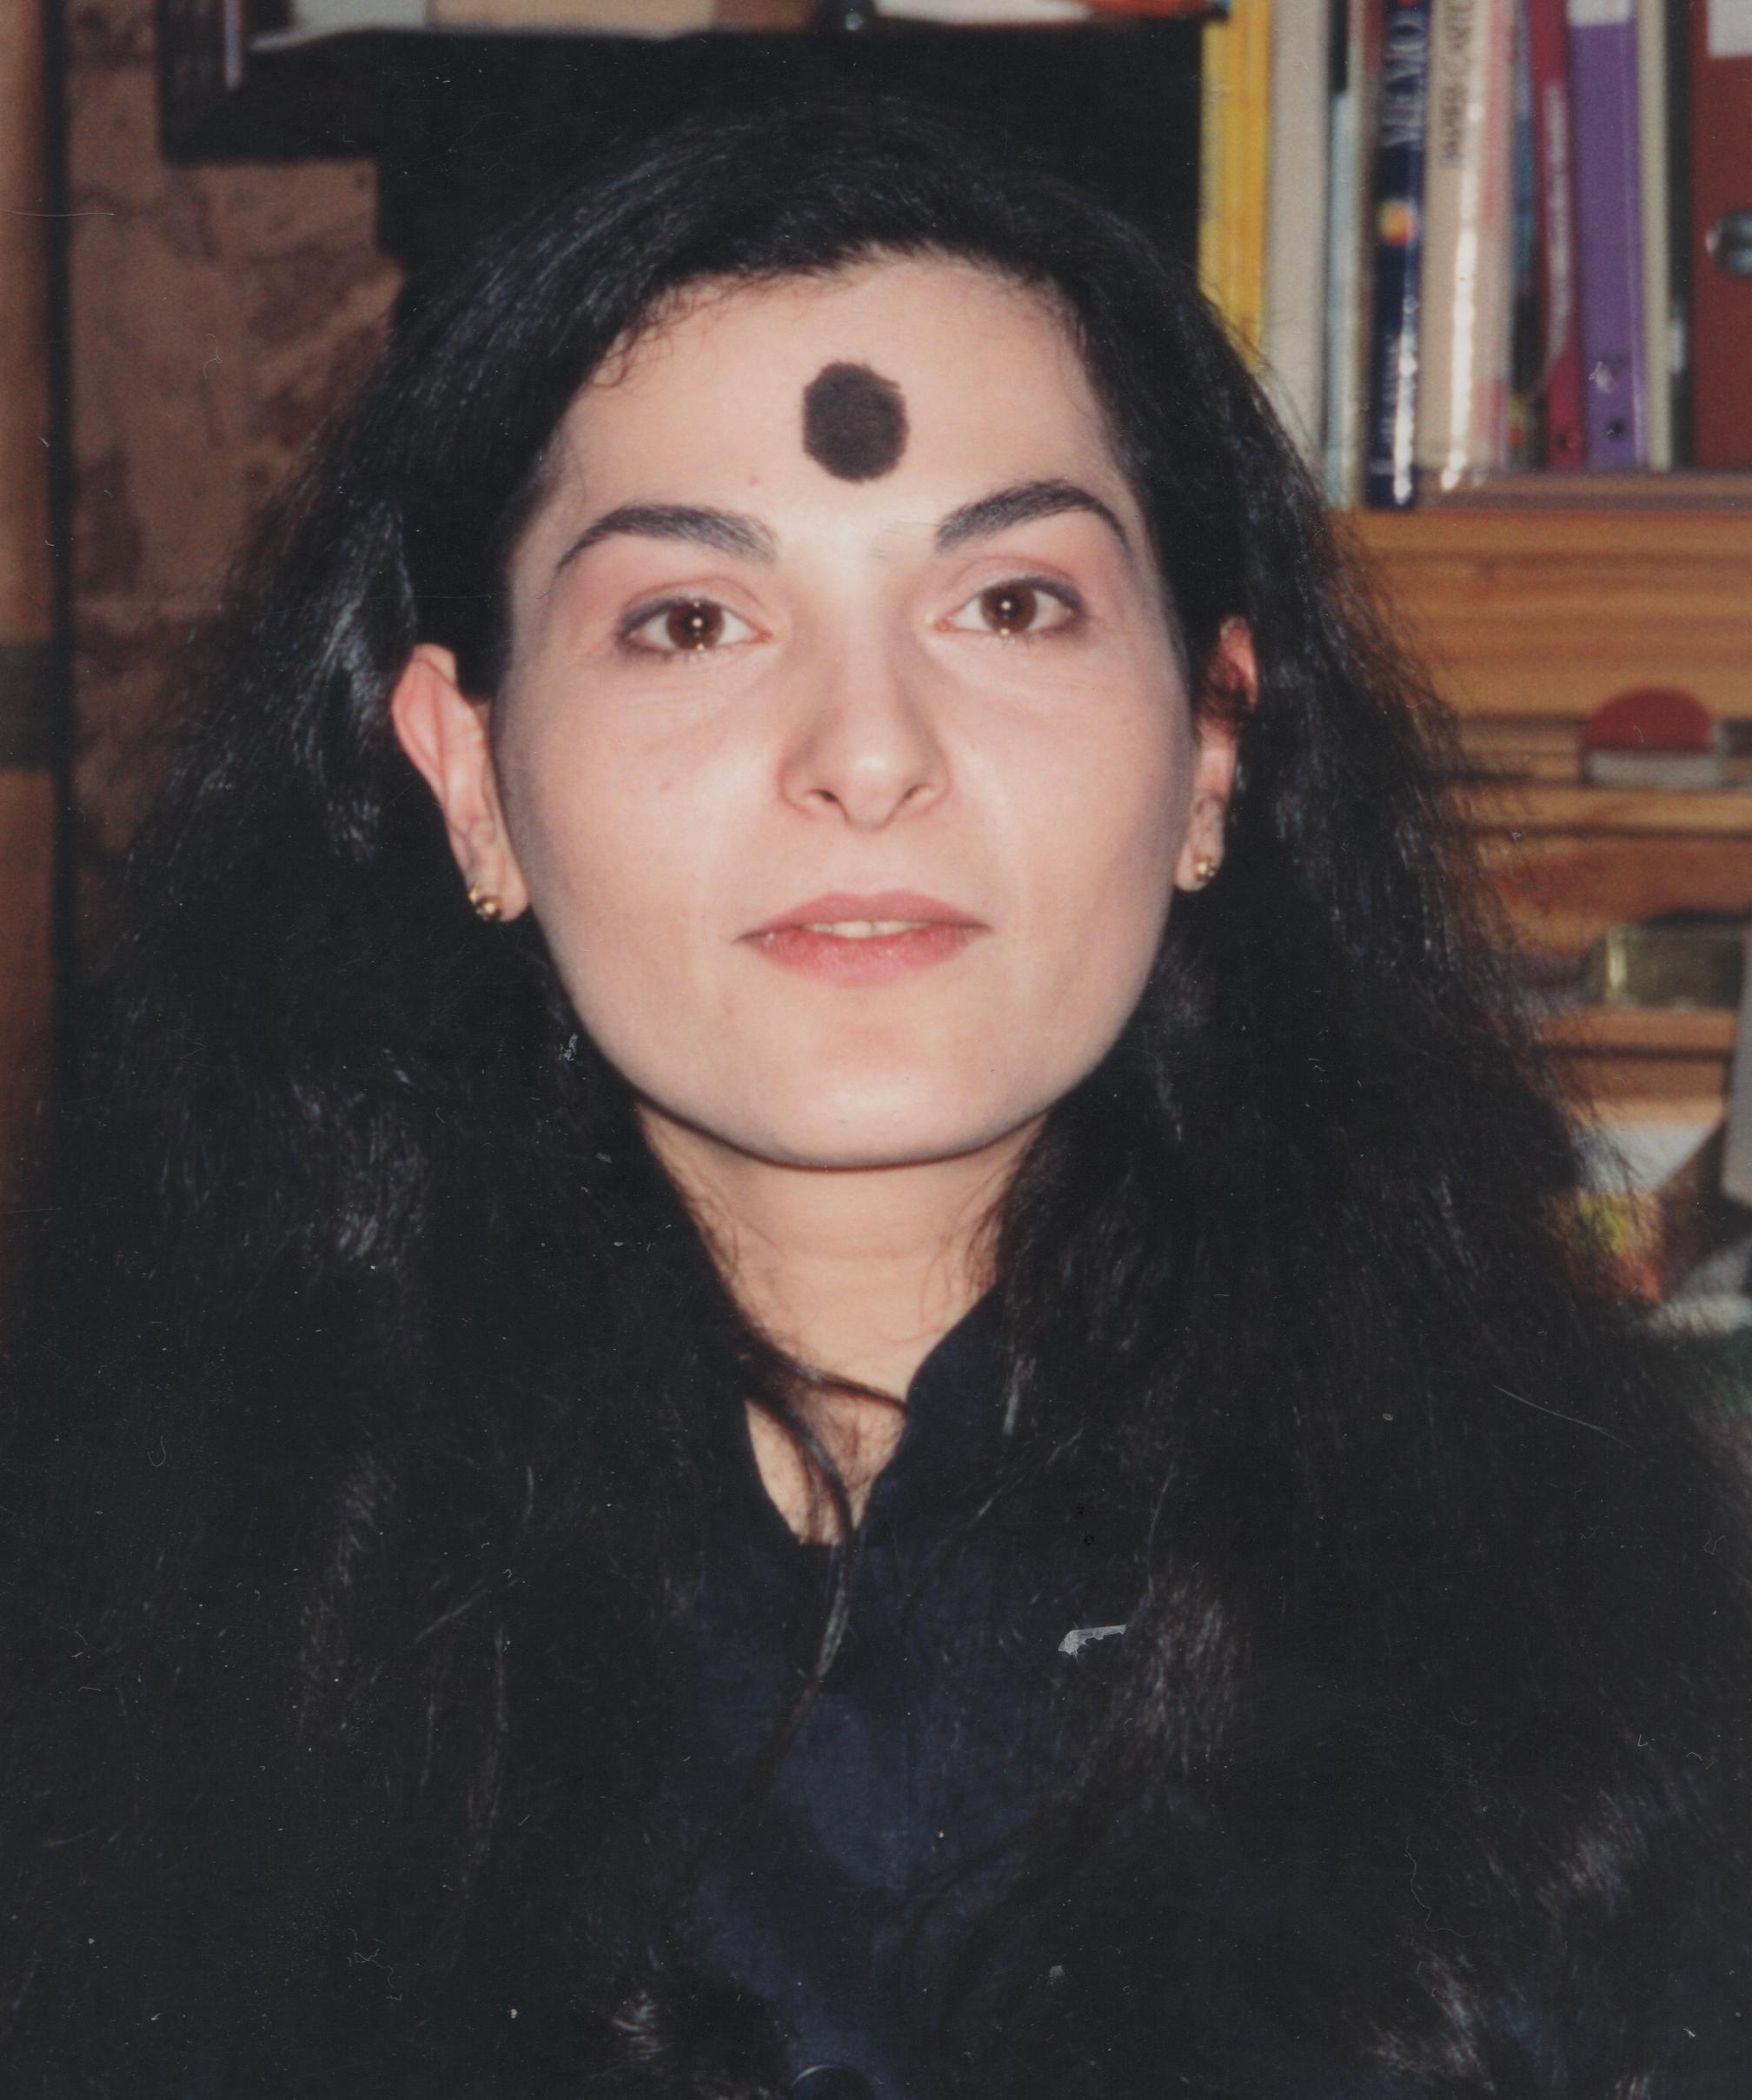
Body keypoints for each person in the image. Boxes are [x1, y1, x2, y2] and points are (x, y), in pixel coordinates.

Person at [3, 98, 1747, 2100]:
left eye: (1009, 604)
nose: (866, 750)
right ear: (467, 773)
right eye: (689, 619)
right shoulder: (140, 1659)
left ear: (1212, 744)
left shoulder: (1611, 1642)